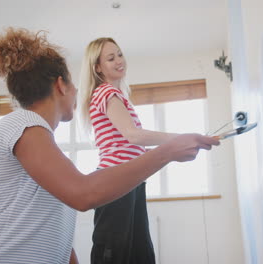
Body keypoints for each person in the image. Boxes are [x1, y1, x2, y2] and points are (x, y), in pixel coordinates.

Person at [0, 28, 219, 264]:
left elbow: (52, 231)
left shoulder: (44, 150)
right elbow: (83, 194)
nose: (79, 93)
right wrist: (169, 150)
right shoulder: (22, 124)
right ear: (61, 86)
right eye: (74, 85)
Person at [79, 37, 208, 264]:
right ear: (97, 67)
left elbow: (131, 145)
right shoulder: (106, 92)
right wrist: (178, 139)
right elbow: (133, 135)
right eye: (111, 58)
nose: (119, 60)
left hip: (130, 181)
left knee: (140, 254)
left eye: (119, 54)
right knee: (114, 254)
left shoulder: (118, 96)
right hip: (116, 181)